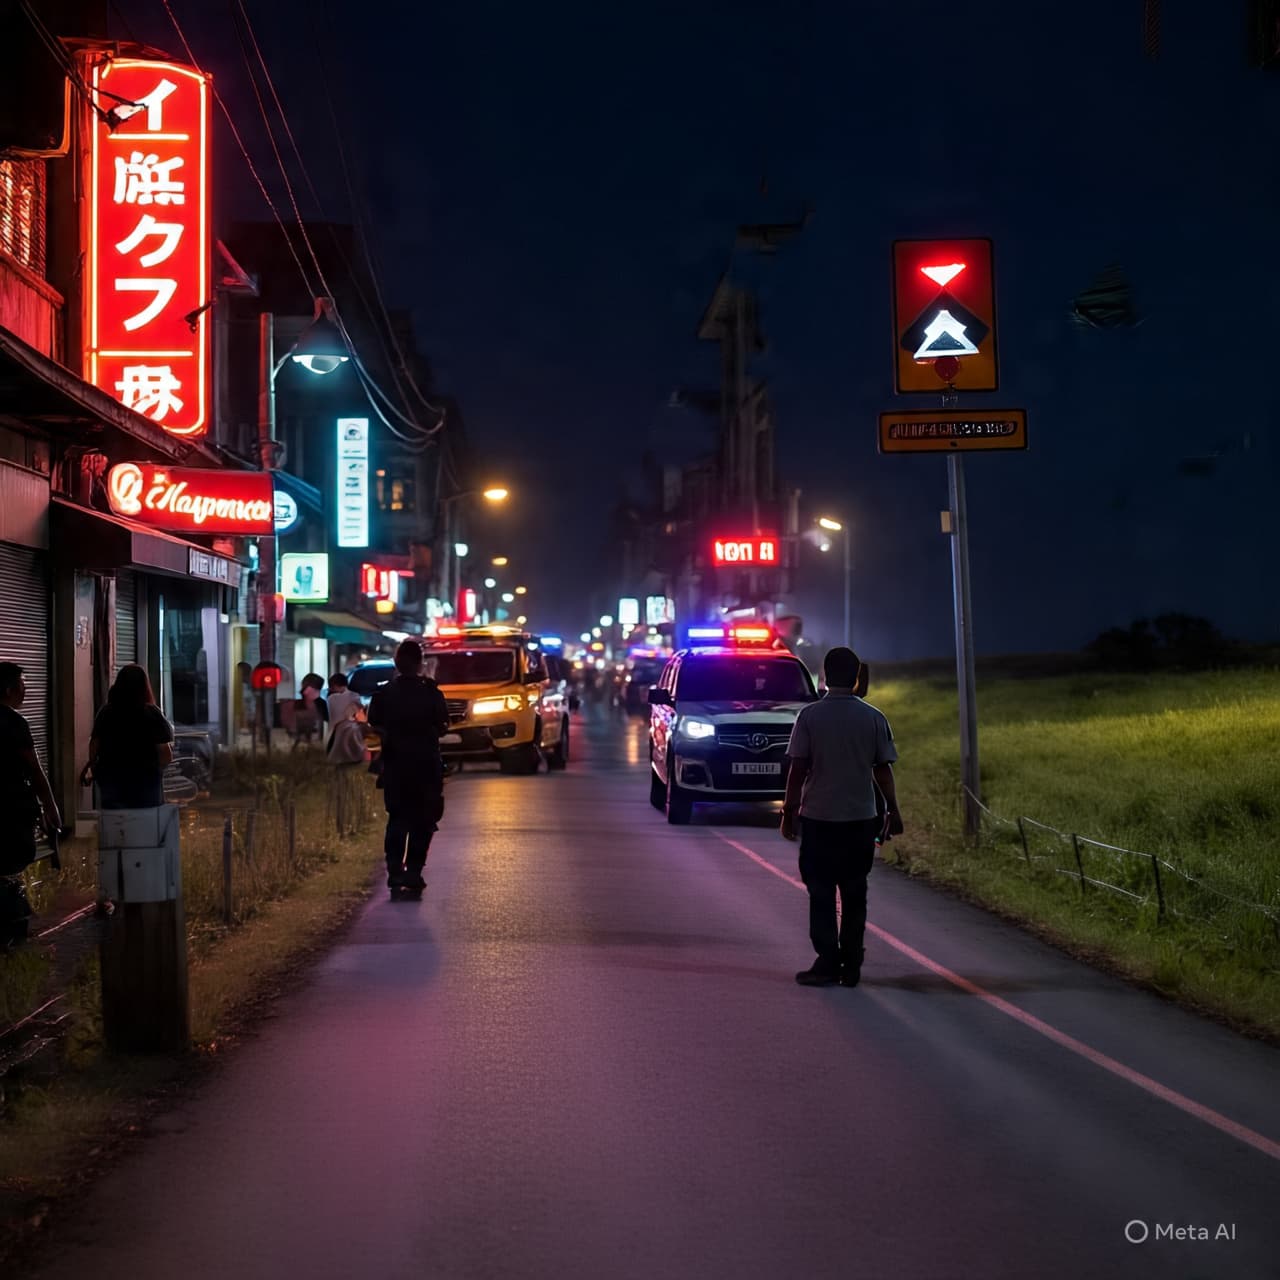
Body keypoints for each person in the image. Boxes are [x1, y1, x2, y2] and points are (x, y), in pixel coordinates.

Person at [781, 646, 902, 988]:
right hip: (861, 820)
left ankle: (827, 961)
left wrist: (788, 813)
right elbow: (883, 771)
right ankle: (851, 964)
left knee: (820, 891)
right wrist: (893, 810)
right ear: (857, 677)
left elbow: (797, 771)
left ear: (824, 675)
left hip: (819, 819)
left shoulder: (810, 717)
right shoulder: (874, 717)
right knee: (854, 891)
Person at [367, 640, 449, 890]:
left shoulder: (383, 694)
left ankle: (394, 871)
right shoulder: (431, 692)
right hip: (426, 766)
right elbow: (443, 726)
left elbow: (374, 724)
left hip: (395, 766)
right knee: (423, 821)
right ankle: (413, 871)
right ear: (420, 663)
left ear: (396, 662)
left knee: (398, 818)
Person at [0, 663, 60, 945]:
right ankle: (13, 930)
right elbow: (34, 769)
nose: (26, 692)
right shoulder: (14, 722)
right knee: (10, 866)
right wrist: (50, 805)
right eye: (23, 686)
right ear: (10, 690)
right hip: (11, 808)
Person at [89, 664, 174, 809]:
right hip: (146, 789)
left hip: (112, 787)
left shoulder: (106, 713)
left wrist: (100, 771)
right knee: (144, 827)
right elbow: (166, 756)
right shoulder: (152, 714)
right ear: (144, 687)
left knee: (115, 826)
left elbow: (93, 749)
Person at [291, 673, 328, 751]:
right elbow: (327, 718)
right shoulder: (321, 703)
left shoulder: (298, 703)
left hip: (303, 733)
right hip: (312, 734)